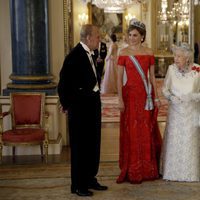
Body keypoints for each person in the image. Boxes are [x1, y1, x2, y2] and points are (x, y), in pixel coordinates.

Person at [57, 24, 108, 197]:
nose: (99, 39)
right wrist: (67, 104)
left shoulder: (93, 54)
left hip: (93, 104)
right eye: (97, 36)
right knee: (80, 147)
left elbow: (93, 78)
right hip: (79, 109)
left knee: (93, 144)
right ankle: (77, 185)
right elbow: (63, 84)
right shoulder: (74, 55)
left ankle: (90, 178)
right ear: (88, 38)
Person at [116, 18, 162, 184]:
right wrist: (120, 99)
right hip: (129, 96)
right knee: (132, 131)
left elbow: (152, 77)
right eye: (130, 35)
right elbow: (119, 79)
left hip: (145, 96)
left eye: (135, 35)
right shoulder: (123, 53)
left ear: (142, 36)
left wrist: (156, 97)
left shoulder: (149, 52)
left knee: (145, 129)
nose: (132, 38)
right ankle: (133, 168)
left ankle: (147, 168)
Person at [161, 43, 200, 182]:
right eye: (175, 55)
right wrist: (171, 97)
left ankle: (190, 173)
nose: (175, 59)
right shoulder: (171, 70)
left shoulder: (198, 71)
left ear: (187, 58)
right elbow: (165, 89)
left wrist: (192, 97)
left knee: (189, 141)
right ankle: (172, 173)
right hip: (175, 112)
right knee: (174, 143)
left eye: (178, 56)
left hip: (191, 112)